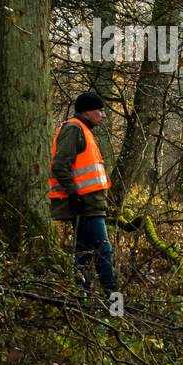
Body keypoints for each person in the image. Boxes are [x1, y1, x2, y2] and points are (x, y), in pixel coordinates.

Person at [48, 92, 116, 293]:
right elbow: (60, 165)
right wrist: (74, 195)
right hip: (85, 205)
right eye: (100, 111)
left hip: (90, 204)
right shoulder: (74, 129)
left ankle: (82, 296)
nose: (103, 115)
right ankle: (112, 295)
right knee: (103, 249)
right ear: (87, 111)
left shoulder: (83, 130)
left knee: (84, 252)